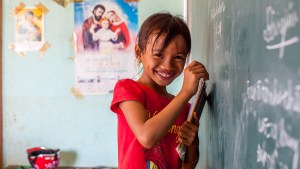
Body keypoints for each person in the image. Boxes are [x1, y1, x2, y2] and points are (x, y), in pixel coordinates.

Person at [110, 12, 209, 169]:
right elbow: (146, 137)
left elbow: (187, 165)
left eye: (178, 57)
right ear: (139, 53)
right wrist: (185, 93)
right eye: (158, 54)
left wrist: (192, 146)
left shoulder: (184, 108)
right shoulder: (128, 90)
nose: (167, 65)